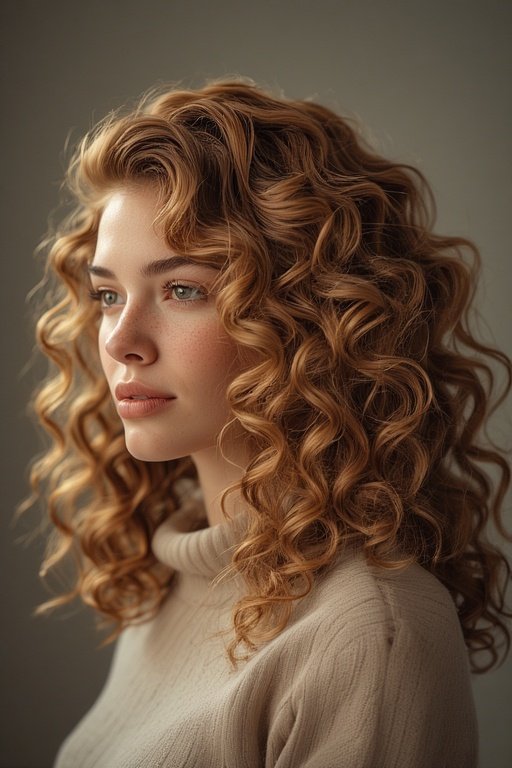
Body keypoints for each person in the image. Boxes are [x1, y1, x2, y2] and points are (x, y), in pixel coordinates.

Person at [27, 79, 511, 768]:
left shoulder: (370, 636)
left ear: (306, 315)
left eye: (183, 289)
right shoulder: (170, 585)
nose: (121, 339)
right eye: (108, 295)